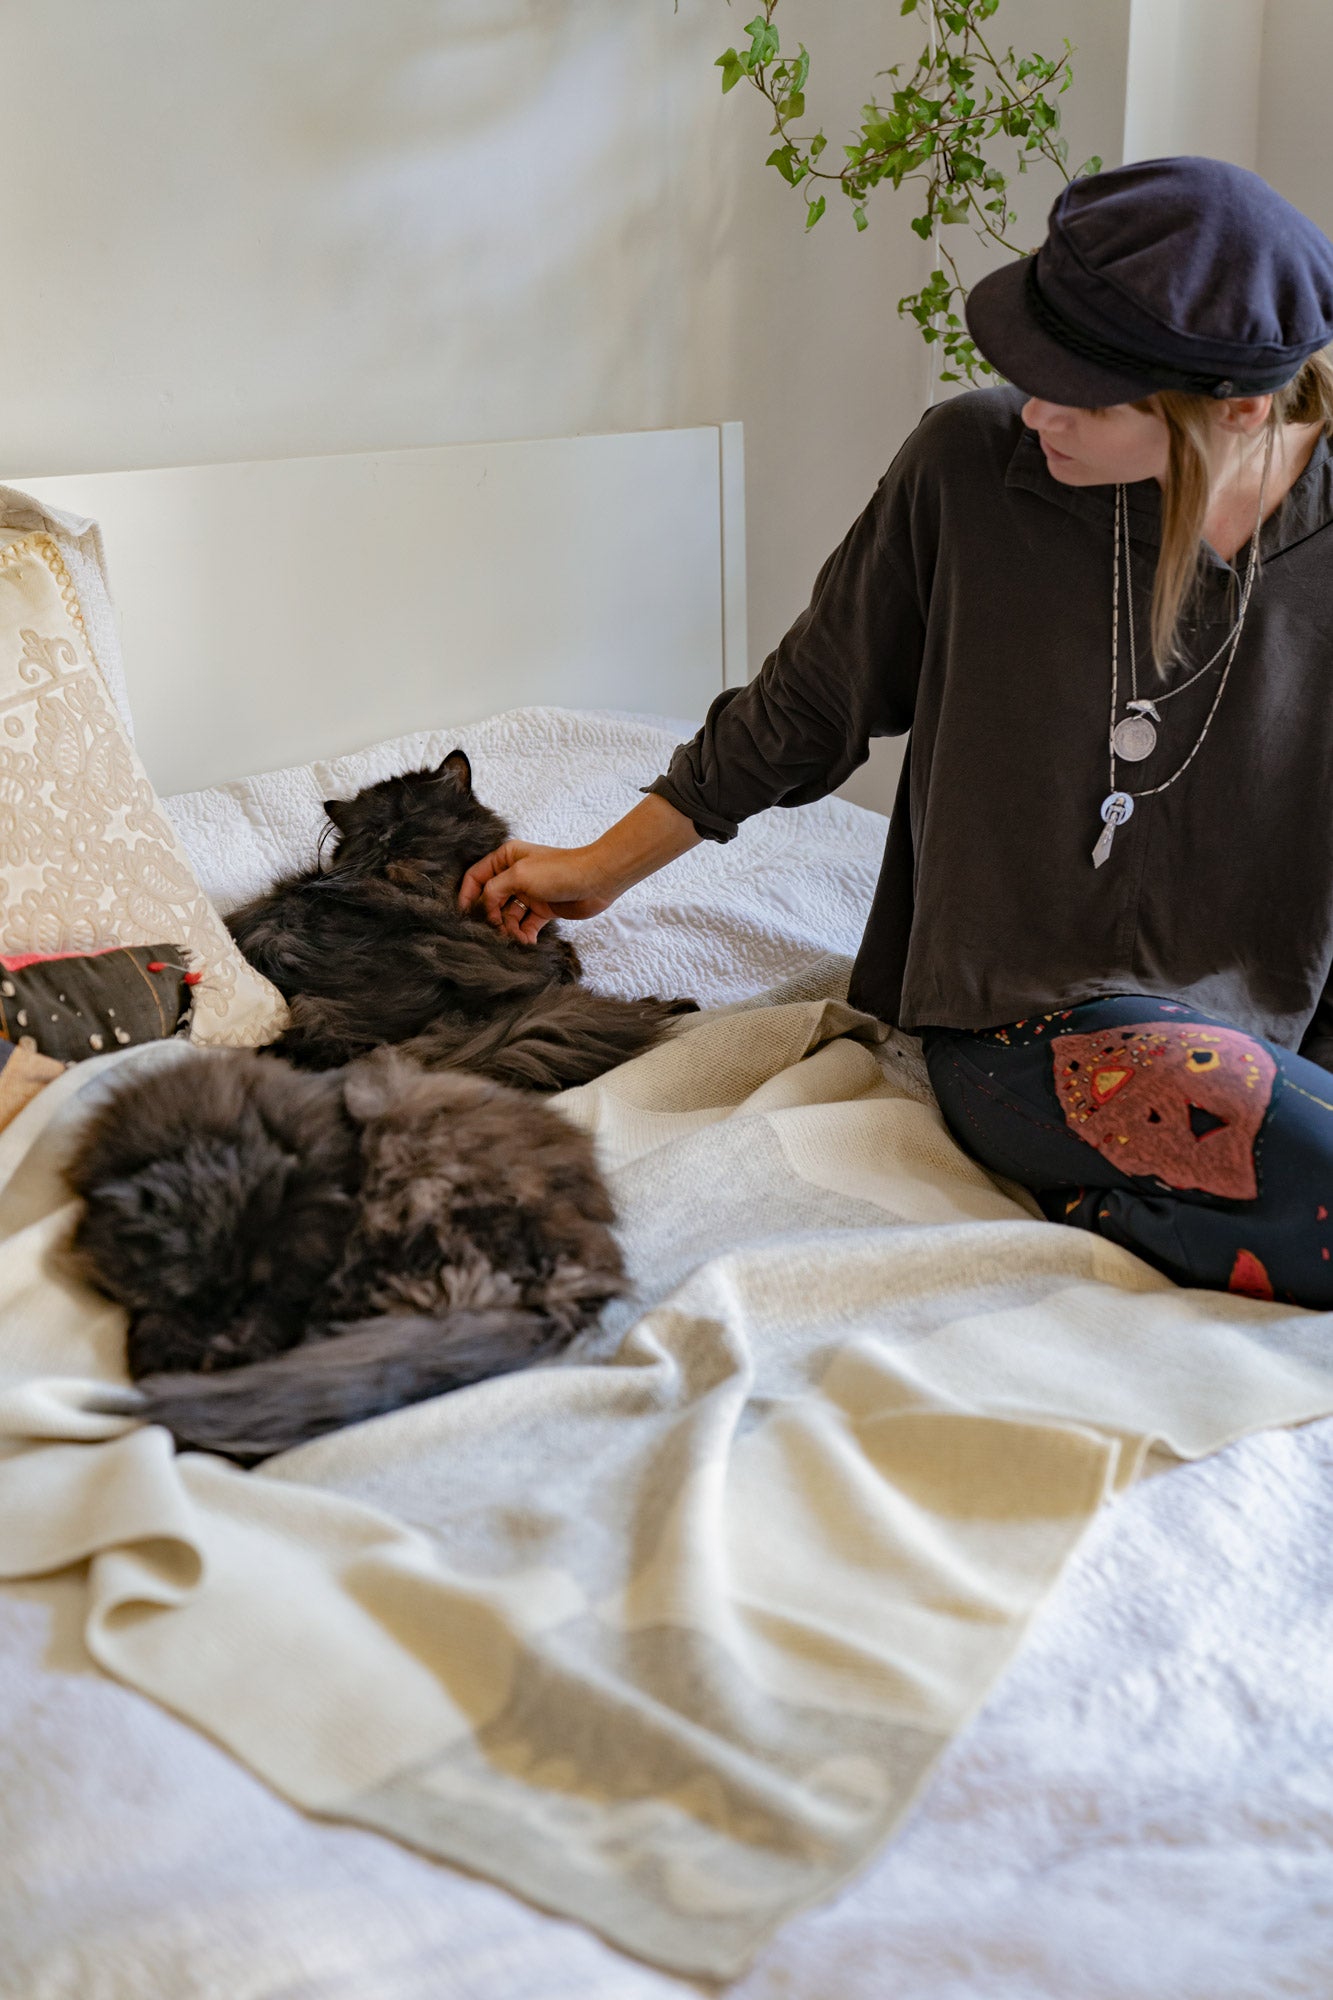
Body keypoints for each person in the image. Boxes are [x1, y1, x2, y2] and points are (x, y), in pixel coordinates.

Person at [459, 156, 1333, 1310]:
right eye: (1030, 370)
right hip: (1033, 1015)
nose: (1035, 409)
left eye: (1081, 394)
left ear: (1235, 407)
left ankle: (1144, 1208)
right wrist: (598, 867)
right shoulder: (970, 468)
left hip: (1294, 1013)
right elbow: (807, 704)